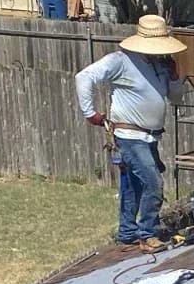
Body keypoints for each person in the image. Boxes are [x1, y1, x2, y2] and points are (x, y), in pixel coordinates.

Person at [76, 14, 187, 249]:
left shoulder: (160, 65)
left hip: (150, 136)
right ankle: (148, 233)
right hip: (129, 136)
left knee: (134, 185)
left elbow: (176, 98)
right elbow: (84, 77)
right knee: (153, 183)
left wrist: (174, 77)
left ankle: (127, 231)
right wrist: (90, 113)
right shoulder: (120, 61)